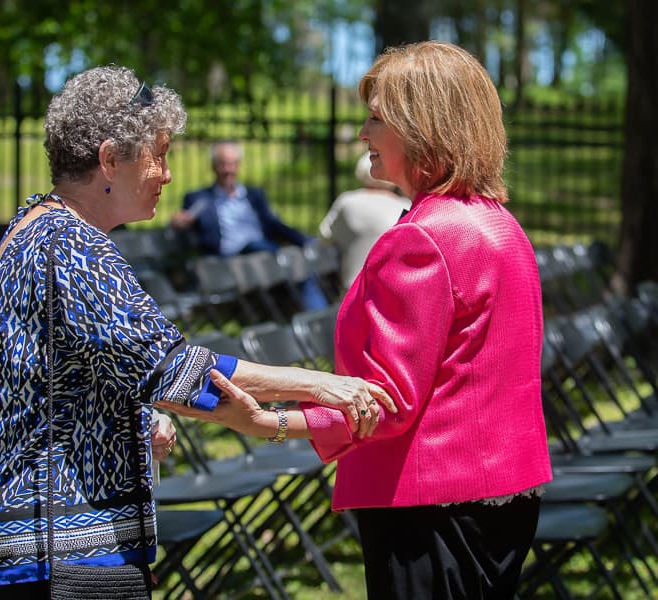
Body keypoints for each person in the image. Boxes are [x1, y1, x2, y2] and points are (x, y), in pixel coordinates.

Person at [0, 65, 393, 599]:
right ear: (110, 158)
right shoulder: (69, 245)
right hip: (50, 544)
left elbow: (80, 375)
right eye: (159, 154)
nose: (167, 174)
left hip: (38, 538)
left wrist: (132, 423)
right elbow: (170, 369)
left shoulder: (40, 228)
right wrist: (320, 385)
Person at [164, 41, 553, 600]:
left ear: (423, 126)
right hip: (502, 497)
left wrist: (266, 423)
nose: (363, 134)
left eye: (376, 118)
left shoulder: (421, 238)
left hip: (429, 506)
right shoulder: (499, 225)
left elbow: (384, 403)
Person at [170, 140, 329, 310]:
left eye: (232, 164)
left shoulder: (254, 195)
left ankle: (319, 318)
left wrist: (304, 240)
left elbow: (275, 224)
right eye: (223, 164)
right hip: (230, 258)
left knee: (300, 262)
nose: (228, 170)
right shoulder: (200, 198)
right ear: (213, 166)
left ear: (238, 166)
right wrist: (177, 222)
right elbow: (182, 221)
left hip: (263, 251)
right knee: (292, 262)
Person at [318, 151, 411, 288]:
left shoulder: (346, 202)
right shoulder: (405, 206)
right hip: (391, 290)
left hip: (352, 289)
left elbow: (324, 236)